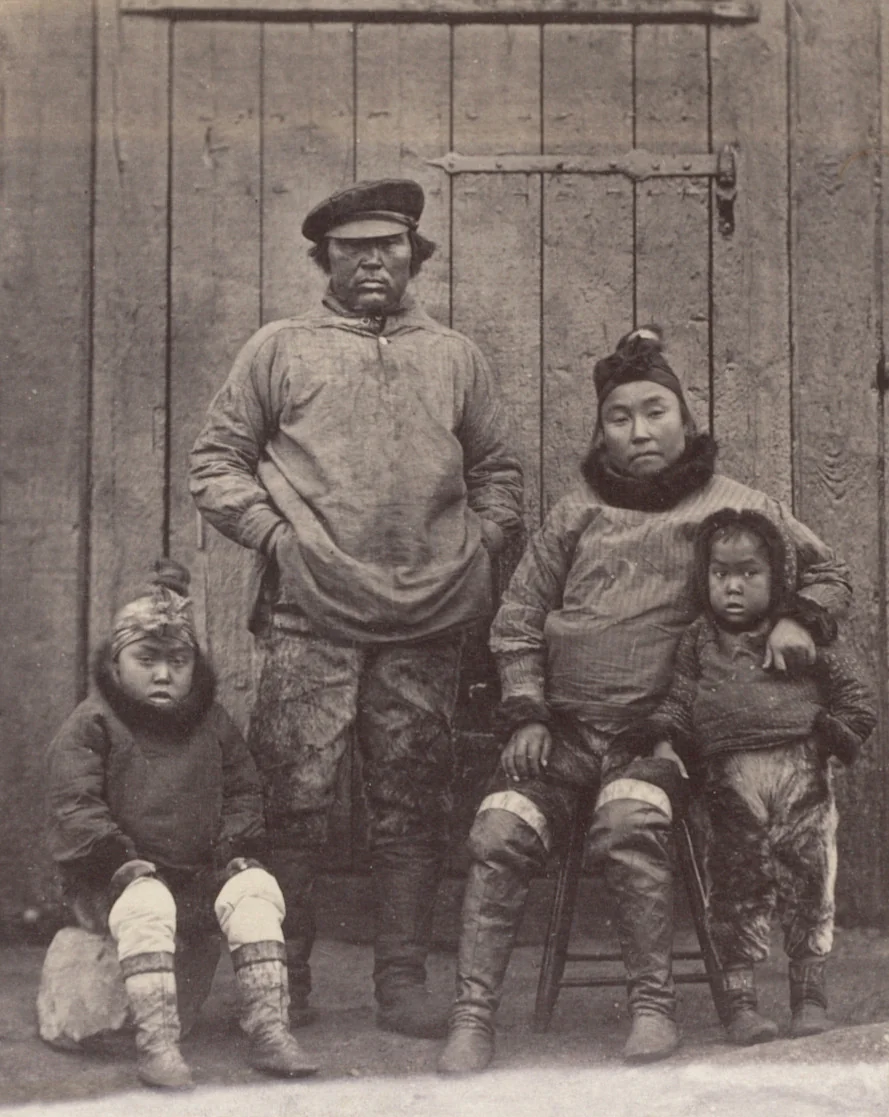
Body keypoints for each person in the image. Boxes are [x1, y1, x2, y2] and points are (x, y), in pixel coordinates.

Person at [437, 325, 852, 1074]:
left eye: (654, 410)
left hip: (661, 737)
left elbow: (828, 573)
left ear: (685, 418)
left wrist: (796, 614)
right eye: (618, 417)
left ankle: (651, 1006)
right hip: (561, 729)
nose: (638, 431)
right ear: (600, 431)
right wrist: (527, 706)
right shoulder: (574, 514)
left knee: (630, 819)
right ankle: (472, 1015)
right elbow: (520, 617)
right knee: (499, 829)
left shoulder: (736, 507)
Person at [189, 178, 523, 1039]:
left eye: (389, 246)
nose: (372, 260)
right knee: (291, 801)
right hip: (309, 615)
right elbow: (216, 462)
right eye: (351, 248)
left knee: (411, 800)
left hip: (428, 619)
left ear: (415, 255)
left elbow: (497, 471)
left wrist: (478, 544)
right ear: (323, 259)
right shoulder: (280, 348)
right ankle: (283, 982)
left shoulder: (455, 357)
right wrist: (275, 539)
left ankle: (401, 982)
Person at [43, 560, 318, 1090]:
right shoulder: (92, 724)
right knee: (147, 902)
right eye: (147, 660)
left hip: (194, 874)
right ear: (117, 663)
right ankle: (157, 1043)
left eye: (178, 660)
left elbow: (243, 791)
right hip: (113, 880)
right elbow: (75, 807)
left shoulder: (212, 722)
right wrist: (121, 863)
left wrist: (233, 849)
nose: (164, 674)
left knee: (257, 889)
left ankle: (269, 1028)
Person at [621, 507, 875, 1045]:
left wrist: (831, 734)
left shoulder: (798, 636)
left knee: (810, 880)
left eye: (749, 573)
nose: (733, 587)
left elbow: (856, 696)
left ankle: (809, 996)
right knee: (736, 888)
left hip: (800, 776)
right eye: (721, 574)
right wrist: (665, 742)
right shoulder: (698, 641)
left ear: (777, 575)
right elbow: (681, 700)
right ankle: (740, 1003)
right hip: (729, 785)